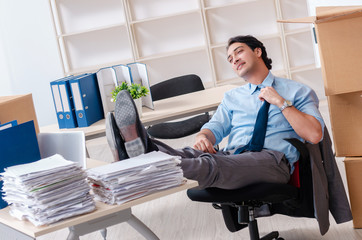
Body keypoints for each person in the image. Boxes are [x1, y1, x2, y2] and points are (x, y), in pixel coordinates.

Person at [106, 35, 324, 190]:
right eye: (230, 58)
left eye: (239, 51)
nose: (234, 59)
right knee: (191, 154)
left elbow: (314, 135)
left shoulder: (296, 90)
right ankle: (145, 149)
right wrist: (202, 137)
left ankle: (143, 160)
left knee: (210, 164)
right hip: (234, 156)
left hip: (273, 161)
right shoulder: (233, 97)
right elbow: (214, 128)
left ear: (258, 51)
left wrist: (280, 102)